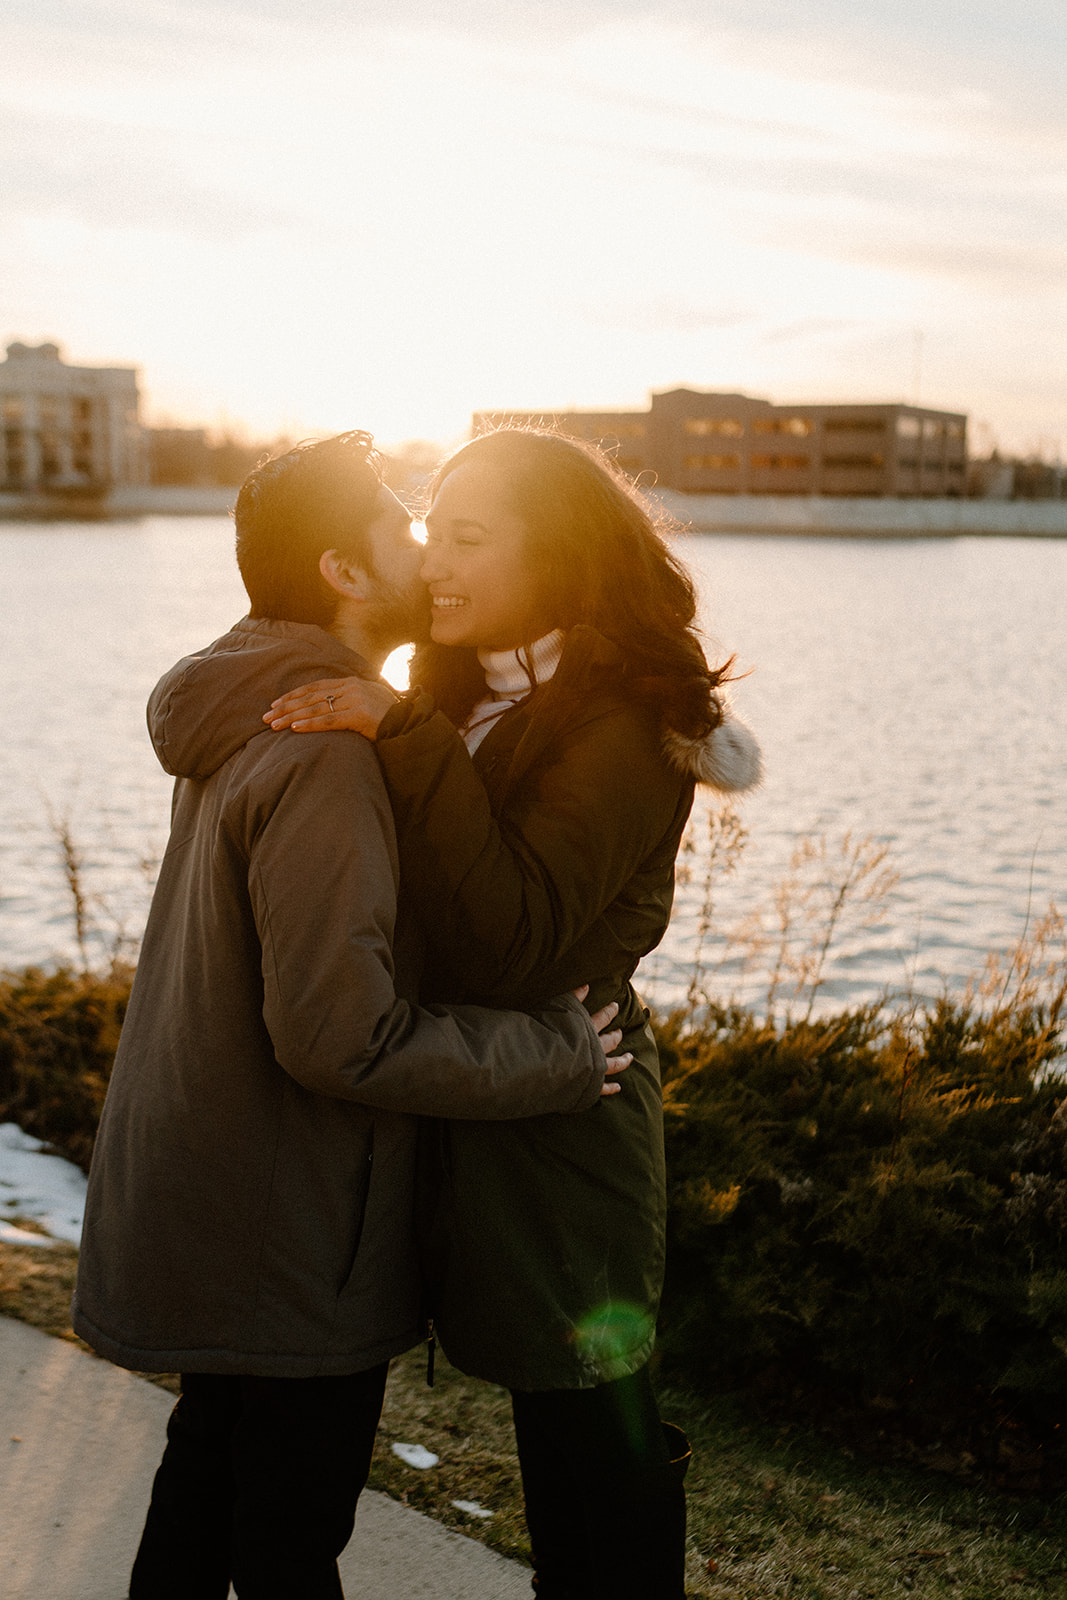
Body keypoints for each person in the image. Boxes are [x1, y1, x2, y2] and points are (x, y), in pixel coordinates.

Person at [71, 431, 628, 1600]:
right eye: (404, 529)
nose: (426, 555)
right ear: (343, 572)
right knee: (282, 1541)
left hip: (228, 1198)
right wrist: (556, 1054)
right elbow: (341, 1035)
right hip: (292, 1227)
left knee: (206, 1503)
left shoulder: (256, 706)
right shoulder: (321, 751)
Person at [266, 426, 762, 1600]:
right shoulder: (455, 687)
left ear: (563, 556)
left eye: (470, 537)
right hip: (456, 1108)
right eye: (431, 530)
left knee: (592, 1460)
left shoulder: (623, 724)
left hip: (563, 1129)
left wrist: (398, 732)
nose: (434, 560)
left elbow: (509, 940)